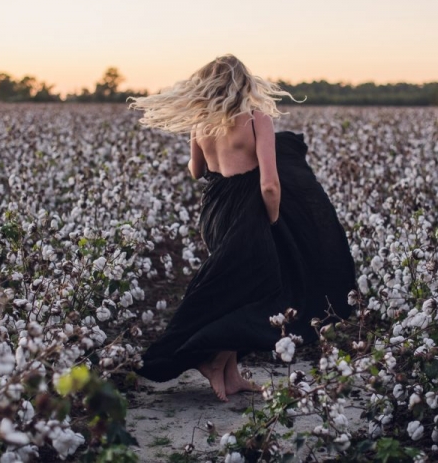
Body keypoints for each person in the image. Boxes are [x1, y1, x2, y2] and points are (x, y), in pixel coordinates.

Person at [127, 55, 356, 402]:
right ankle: (211, 357)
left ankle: (229, 374)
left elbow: (196, 171)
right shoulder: (255, 120)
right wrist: (274, 220)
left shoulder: (200, 123)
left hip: (215, 211)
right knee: (263, 291)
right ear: (245, 84)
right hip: (248, 215)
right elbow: (269, 185)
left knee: (237, 288)